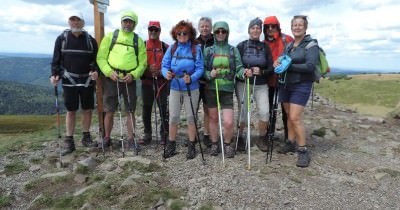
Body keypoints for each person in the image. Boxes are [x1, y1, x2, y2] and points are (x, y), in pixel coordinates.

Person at [96, 10, 147, 149]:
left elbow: (143, 63)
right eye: (125, 21)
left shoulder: (138, 41)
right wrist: (108, 72)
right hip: (111, 78)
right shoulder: (111, 37)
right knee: (109, 110)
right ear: (121, 22)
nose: (127, 24)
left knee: (130, 110)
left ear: (134, 24)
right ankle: (107, 138)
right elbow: (101, 57)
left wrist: (134, 75)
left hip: (129, 79)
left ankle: (131, 139)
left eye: (130, 21)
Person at [274, 15, 319, 167]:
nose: (297, 27)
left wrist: (289, 66)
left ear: (305, 27)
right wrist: (278, 62)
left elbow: (310, 66)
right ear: (291, 27)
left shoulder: (311, 45)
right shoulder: (289, 45)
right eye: (295, 25)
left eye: (300, 25)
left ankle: (303, 150)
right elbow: (281, 59)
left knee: (295, 117)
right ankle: (290, 143)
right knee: (288, 116)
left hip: (302, 84)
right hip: (286, 84)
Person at [50, 14, 98, 156]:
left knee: (87, 109)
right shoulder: (62, 39)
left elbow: (96, 61)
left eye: (78, 20)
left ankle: (86, 137)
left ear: (83, 22)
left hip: (87, 81)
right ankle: (69, 141)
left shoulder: (90, 41)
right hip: (69, 80)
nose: (75, 22)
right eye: (72, 19)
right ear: (69, 21)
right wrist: (54, 74)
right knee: (71, 111)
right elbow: (56, 60)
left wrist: (96, 71)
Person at [161, 20, 204, 159]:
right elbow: (165, 64)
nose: (182, 35)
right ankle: (171, 145)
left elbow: (200, 68)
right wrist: (165, 73)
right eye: (179, 33)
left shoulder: (195, 49)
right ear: (175, 34)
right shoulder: (172, 48)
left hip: (191, 87)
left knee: (191, 117)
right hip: (174, 86)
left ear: (190, 34)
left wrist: (191, 78)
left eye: (185, 33)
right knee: (173, 117)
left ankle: (192, 145)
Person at [204, 21, 245, 158]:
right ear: (214, 33)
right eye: (218, 31)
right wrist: (209, 74)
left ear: (227, 33)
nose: (220, 34)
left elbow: (238, 68)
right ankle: (215, 143)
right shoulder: (208, 50)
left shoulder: (233, 50)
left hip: (227, 89)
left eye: (223, 31)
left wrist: (243, 73)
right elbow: (202, 69)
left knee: (228, 121)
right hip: (211, 88)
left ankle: (227, 144)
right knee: (213, 118)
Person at [236, 18, 273, 152]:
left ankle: (261, 137)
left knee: (264, 112)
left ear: (261, 31)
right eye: (253, 27)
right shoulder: (241, 46)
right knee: (243, 112)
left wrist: (261, 71)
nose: (255, 30)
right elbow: (236, 65)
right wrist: (243, 72)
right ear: (249, 30)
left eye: (258, 28)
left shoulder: (265, 47)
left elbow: (271, 68)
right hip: (243, 83)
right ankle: (240, 137)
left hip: (261, 84)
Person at [264, 16, 294, 142]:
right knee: (270, 109)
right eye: (267, 27)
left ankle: (289, 137)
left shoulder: (287, 39)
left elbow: (294, 56)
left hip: (286, 81)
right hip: (270, 81)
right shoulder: (264, 43)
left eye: (273, 26)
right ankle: (269, 134)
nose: (270, 29)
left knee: (287, 111)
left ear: (278, 26)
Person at [140, 21, 169, 145]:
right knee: (146, 108)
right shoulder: (142, 45)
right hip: (147, 82)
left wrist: (161, 72)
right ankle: (147, 134)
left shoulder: (165, 46)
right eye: (151, 29)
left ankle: (164, 135)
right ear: (148, 31)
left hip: (162, 83)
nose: (153, 32)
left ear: (159, 31)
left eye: (155, 30)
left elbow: (169, 64)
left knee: (163, 108)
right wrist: (147, 69)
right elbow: (138, 63)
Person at [196, 17, 214, 148]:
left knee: (207, 109)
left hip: (210, 80)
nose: (204, 28)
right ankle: (194, 133)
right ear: (198, 28)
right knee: (194, 108)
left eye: (207, 26)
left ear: (211, 27)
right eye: (202, 26)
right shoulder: (194, 42)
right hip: (196, 80)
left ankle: (207, 134)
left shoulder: (217, 40)